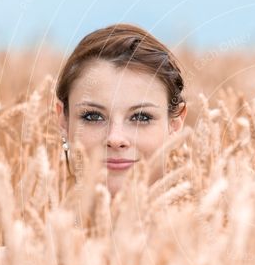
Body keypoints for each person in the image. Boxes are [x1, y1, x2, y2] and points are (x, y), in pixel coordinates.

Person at [55, 23, 188, 198]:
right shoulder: (24, 220)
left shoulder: (225, 220)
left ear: (175, 125)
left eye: (141, 117)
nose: (115, 138)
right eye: (93, 116)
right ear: (63, 120)